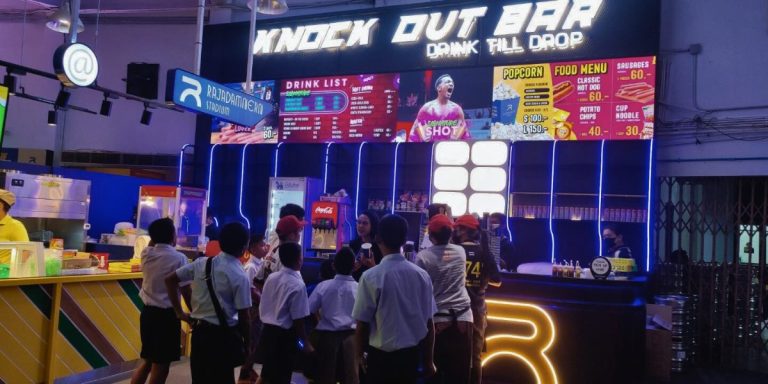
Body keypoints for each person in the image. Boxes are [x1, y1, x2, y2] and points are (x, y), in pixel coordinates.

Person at [352, 214, 437, 384]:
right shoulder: (421, 276)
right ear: (405, 241)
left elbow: (362, 324)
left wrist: (358, 357)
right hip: (412, 357)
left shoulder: (370, 276)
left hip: (379, 359)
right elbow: (429, 324)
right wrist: (429, 361)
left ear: (377, 238)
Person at [166, 222, 252, 384]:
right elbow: (244, 317)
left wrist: (179, 312)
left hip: (199, 335)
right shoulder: (240, 275)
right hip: (222, 338)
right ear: (244, 246)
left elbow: (170, 280)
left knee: (199, 379)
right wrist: (248, 346)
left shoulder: (202, 263)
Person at [131, 218, 190, 384]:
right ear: (173, 235)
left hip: (148, 314)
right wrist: (192, 311)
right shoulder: (179, 258)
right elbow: (186, 289)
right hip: (167, 316)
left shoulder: (146, 254)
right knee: (162, 365)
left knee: (147, 359)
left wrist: (157, 234)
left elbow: (151, 243)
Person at [416, 215, 473, 384]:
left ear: (430, 235)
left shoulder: (423, 257)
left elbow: (420, 289)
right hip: (463, 317)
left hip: (438, 321)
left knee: (436, 373)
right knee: (461, 374)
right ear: (450, 233)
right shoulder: (460, 251)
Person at [453, 214, 501, 384]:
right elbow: (497, 280)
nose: (456, 230)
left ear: (464, 230)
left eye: (458, 227)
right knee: (475, 356)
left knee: (455, 356)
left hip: (455, 311)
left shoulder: (453, 252)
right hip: (477, 310)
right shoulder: (484, 253)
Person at [258, 242, 313, 384]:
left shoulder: (272, 277)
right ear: (298, 260)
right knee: (282, 375)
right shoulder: (298, 285)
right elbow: (298, 319)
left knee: (268, 373)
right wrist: (305, 342)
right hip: (284, 338)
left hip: (267, 332)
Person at [308, 247, 359, 384]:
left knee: (325, 377)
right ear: (354, 266)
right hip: (352, 339)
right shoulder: (360, 288)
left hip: (326, 338)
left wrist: (318, 322)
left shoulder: (323, 286)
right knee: (350, 378)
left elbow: (309, 310)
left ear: (333, 266)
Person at [239, 233, 269, 384]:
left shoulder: (261, 264)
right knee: (253, 344)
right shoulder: (251, 266)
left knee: (255, 343)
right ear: (252, 248)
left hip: (258, 309)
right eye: (262, 245)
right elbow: (249, 288)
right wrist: (264, 301)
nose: (265, 247)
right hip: (254, 310)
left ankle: (248, 374)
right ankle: (245, 374)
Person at [409, 74, 468, 142]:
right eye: (448, 82)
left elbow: (465, 136)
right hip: (429, 151)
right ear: (439, 88)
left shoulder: (457, 109)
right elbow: (413, 136)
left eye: (452, 83)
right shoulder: (426, 108)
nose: (451, 84)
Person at [257, 215, 305, 282]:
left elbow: (257, 281)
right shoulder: (288, 259)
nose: (300, 235)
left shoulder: (272, 252)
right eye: (298, 232)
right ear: (291, 236)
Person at [349, 210, 383, 281]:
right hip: (354, 285)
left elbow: (383, 273)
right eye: (359, 222)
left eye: (365, 223)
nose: (360, 226)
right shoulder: (352, 244)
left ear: (372, 225)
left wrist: (372, 266)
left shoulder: (379, 246)